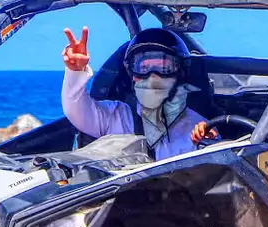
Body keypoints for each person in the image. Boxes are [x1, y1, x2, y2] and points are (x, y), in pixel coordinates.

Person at [60, 26, 208, 160]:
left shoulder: (198, 127)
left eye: (164, 67)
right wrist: (75, 72)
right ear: (132, 74)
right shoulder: (115, 116)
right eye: (143, 67)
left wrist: (208, 141)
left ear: (180, 73)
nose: (153, 76)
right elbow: (77, 110)